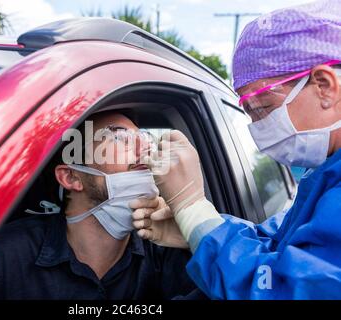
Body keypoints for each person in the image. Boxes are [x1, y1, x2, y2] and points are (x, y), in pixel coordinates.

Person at [131, 0, 341, 299]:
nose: (256, 126)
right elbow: (280, 242)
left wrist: (192, 209)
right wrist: (200, 229)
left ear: (324, 86)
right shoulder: (323, 174)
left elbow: (284, 291)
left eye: (263, 107)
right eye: (249, 111)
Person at [0, 111, 195, 299]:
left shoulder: (167, 249)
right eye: (121, 137)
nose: (144, 148)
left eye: (144, 137)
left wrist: (197, 236)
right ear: (71, 177)